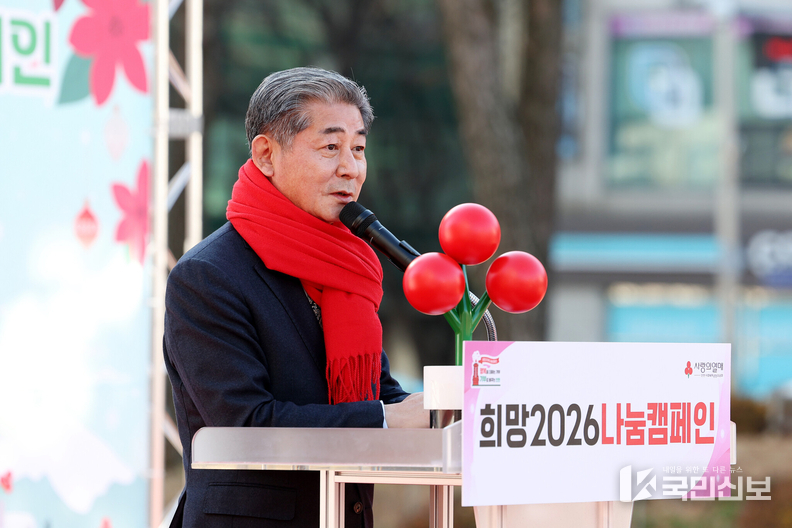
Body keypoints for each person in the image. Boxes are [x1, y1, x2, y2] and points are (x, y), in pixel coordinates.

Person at [163, 67, 428, 528]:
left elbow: (378, 394)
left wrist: (443, 411)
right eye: (330, 147)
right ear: (266, 154)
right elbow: (247, 423)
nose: (351, 168)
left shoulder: (347, 267)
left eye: (359, 149)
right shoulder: (207, 276)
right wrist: (387, 419)